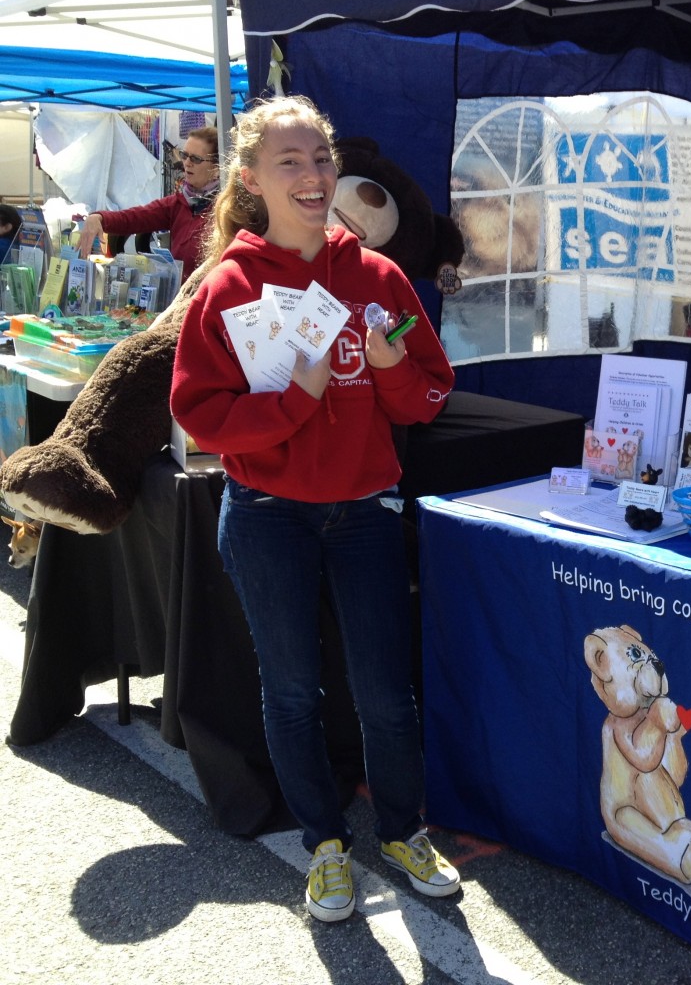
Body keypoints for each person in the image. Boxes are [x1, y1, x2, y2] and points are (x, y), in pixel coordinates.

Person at [170, 95, 460, 922]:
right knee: (292, 691)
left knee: (383, 694)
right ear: (253, 179)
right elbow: (201, 415)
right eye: (290, 162)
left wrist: (391, 364)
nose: (312, 176)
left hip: (364, 513)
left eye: (322, 159)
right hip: (264, 514)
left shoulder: (377, 274)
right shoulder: (226, 285)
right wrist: (296, 401)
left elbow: (426, 399)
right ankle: (324, 847)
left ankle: (404, 831)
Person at [76, 125, 220, 282]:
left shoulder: (227, 210)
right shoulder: (177, 203)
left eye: (196, 159)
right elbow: (136, 217)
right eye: (185, 155)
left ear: (217, 168)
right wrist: (100, 217)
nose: (187, 163)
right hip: (182, 299)